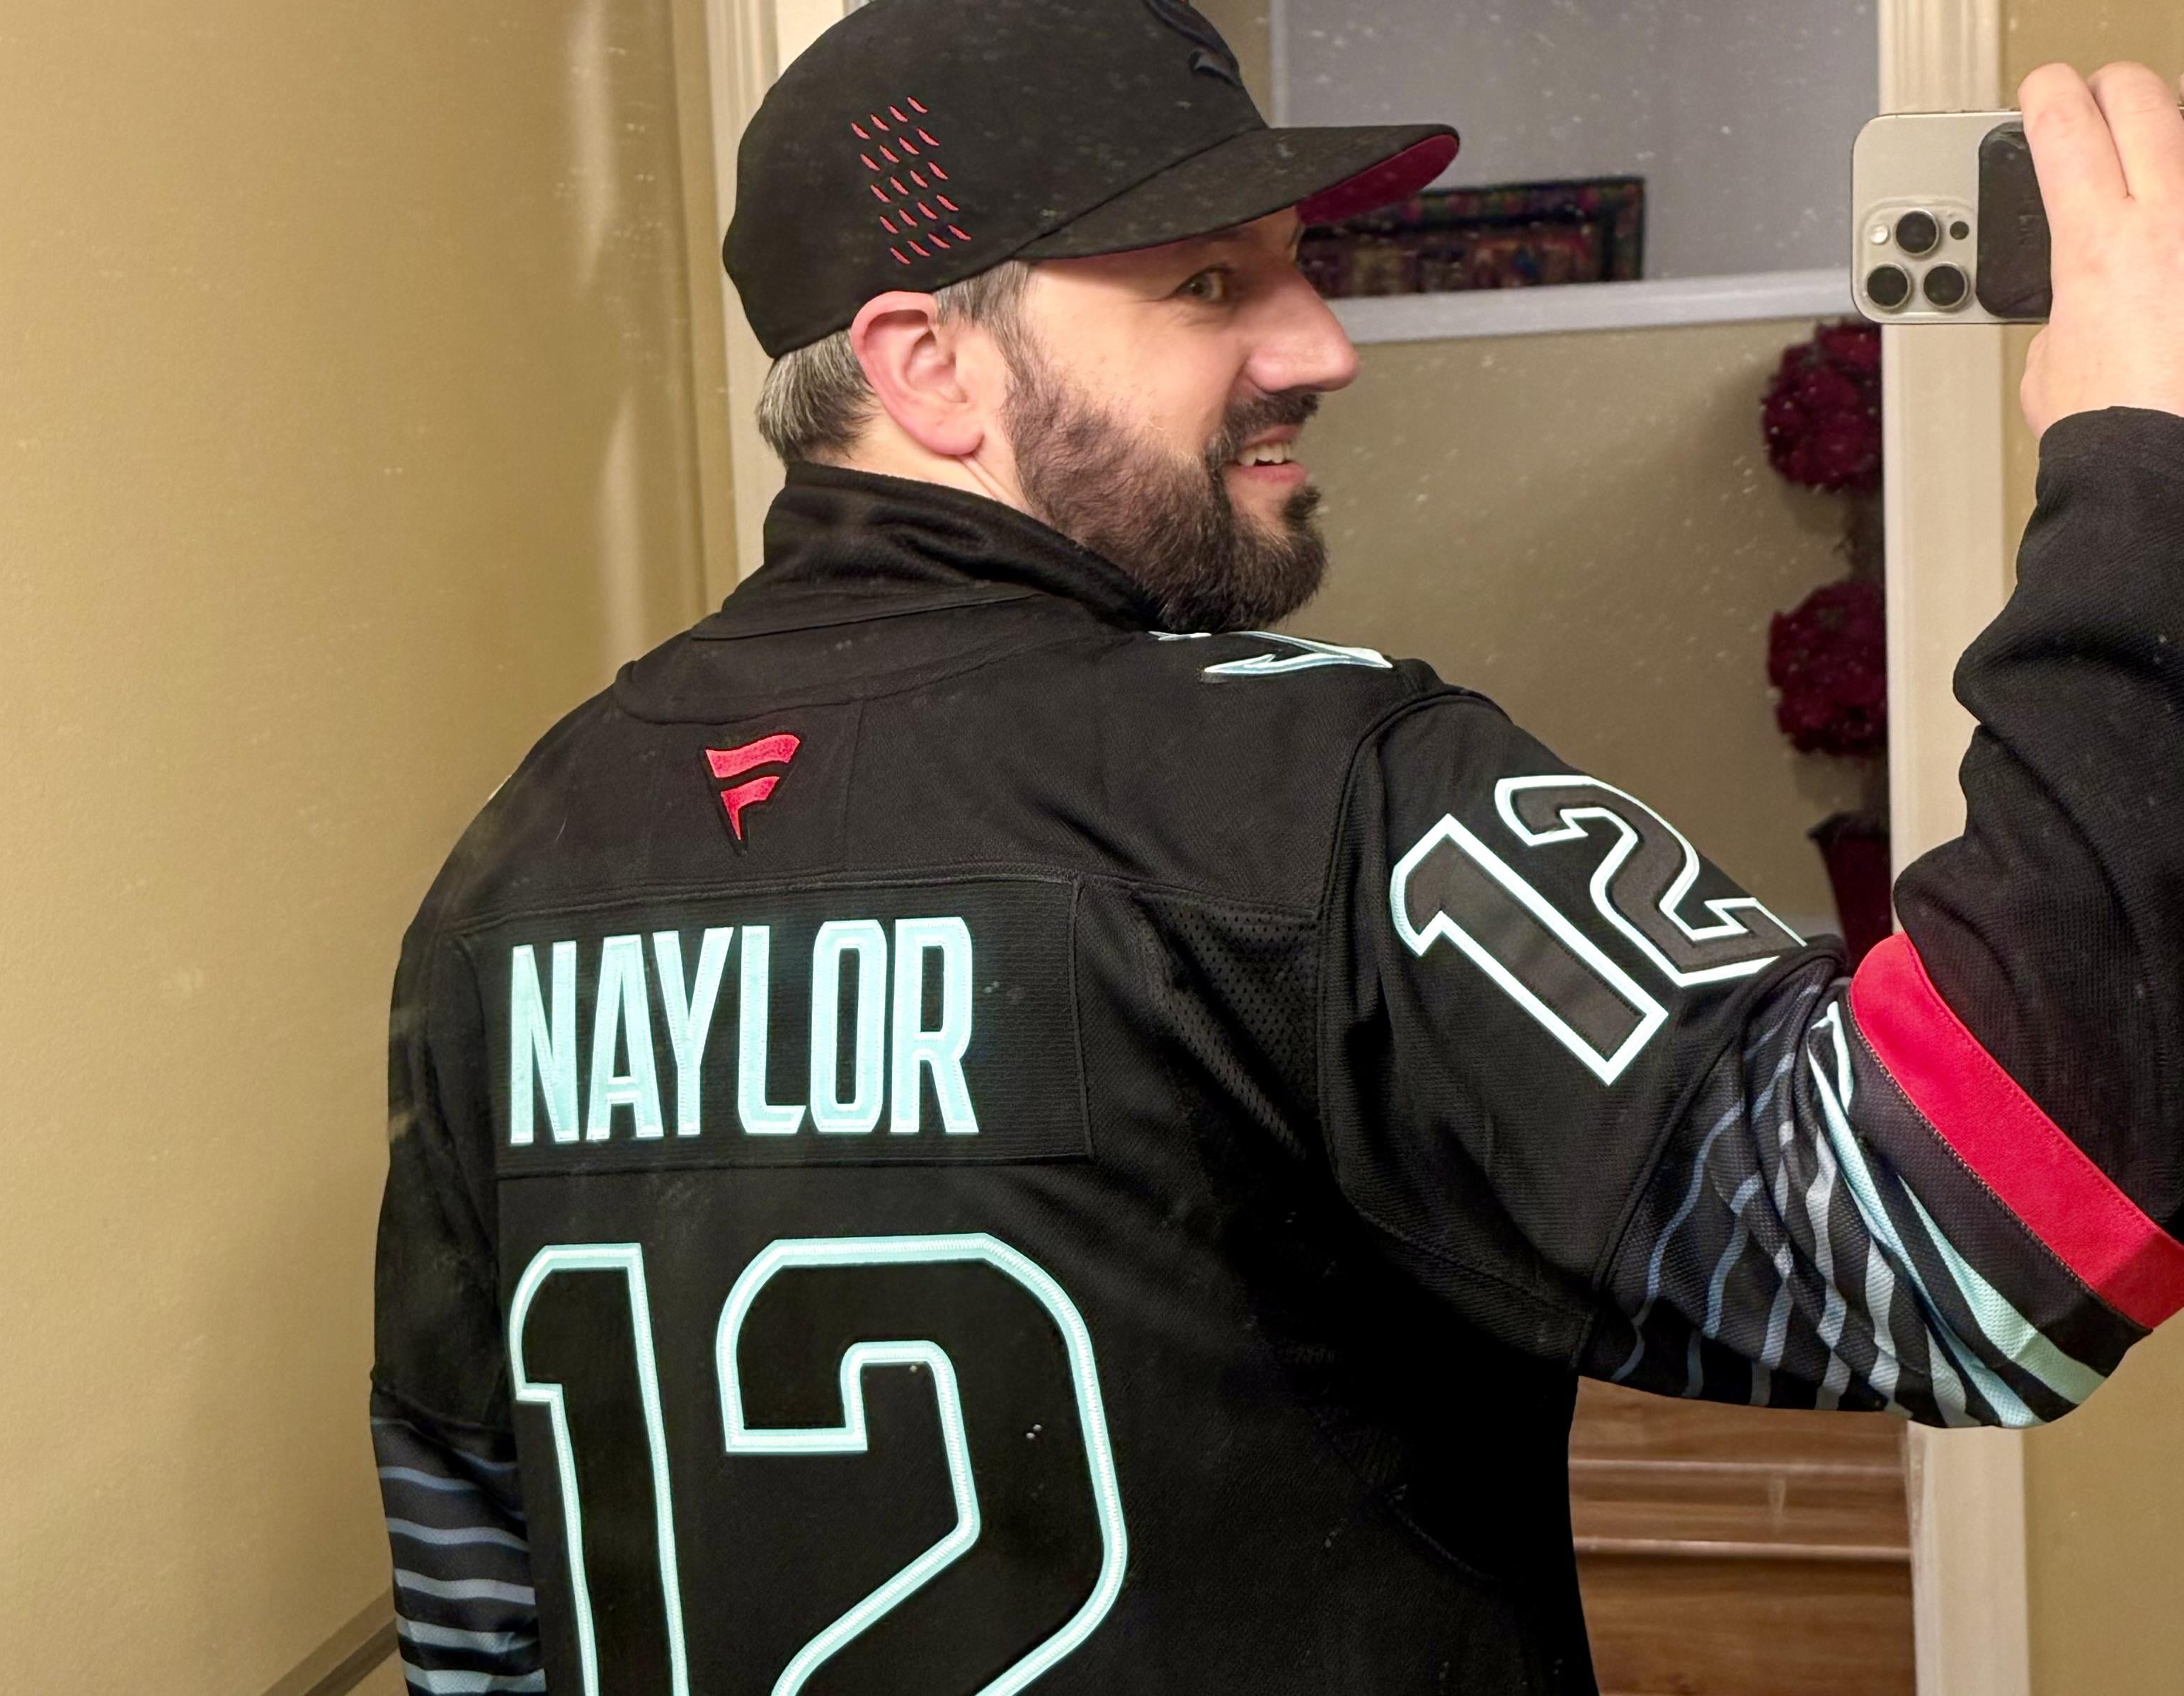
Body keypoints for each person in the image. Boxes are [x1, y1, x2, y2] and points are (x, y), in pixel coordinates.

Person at [368, 1, 2184, 1688]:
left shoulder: (515, 862)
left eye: (1297, 265)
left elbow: (471, 1581)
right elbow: (1980, 1239)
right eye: (1207, 283)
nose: (1321, 346)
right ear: (926, 364)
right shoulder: (1316, 789)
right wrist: (2143, 463)